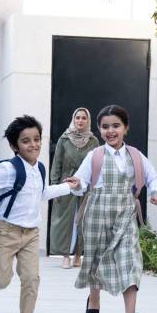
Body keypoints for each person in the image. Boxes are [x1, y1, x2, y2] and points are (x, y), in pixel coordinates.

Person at [0, 115, 80, 313]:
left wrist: (68, 187)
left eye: (37, 139)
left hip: (31, 234)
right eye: (26, 140)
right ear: (14, 145)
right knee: (3, 280)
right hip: (6, 231)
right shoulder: (7, 169)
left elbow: (43, 194)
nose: (34, 145)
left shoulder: (39, 168)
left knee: (31, 278)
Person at [71, 104, 157, 313]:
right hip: (96, 213)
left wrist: (156, 193)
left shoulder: (135, 155)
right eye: (105, 127)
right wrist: (75, 184)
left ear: (125, 128)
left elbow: (153, 178)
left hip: (125, 214)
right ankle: (94, 301)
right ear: (99, 130)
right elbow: (82, 182)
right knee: (95, 258)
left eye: (115, 126)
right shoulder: (96, 155)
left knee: (129, 260)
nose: (110, 131)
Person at [49, 107, 99, 269]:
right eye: (77, 117)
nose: (80, 121)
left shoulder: (93, 141)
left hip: (86, 185)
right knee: (65, 221)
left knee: (83, 219)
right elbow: (56, 163)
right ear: (73, 119)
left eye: (84, 118)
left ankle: (78, 254)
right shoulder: (64, 139)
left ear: (88, 121)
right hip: (66, 183)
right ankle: (65, 255)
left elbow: (97, 166)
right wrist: (55, 186)